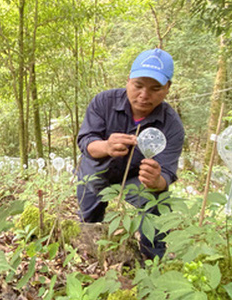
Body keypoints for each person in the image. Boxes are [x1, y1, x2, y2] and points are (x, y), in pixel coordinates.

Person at [76, 48, 184, 260]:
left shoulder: (172, 125)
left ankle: (153, 261)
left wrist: (156, 181)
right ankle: (89, 256)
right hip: (98, 168)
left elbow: (168, 174)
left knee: (156, 202)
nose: (144, 95)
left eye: (155, 88)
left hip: (137, 178)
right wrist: (106, 146)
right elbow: (85, 141)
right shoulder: (103, 102)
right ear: (128, 80)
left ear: (168, 88)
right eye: (138, 86)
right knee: (88, 219)